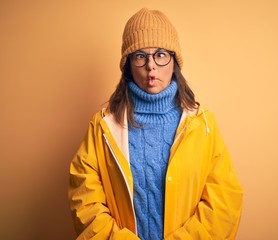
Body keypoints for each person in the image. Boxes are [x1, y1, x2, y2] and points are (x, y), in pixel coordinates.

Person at [68, 8, 243, 240]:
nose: (151, 65)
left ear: (174, 61)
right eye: (140, 55)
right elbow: (84, 200)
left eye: (161, 54)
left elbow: (224, 203)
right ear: (128, 65)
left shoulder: (202, 125)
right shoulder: (103, 126)